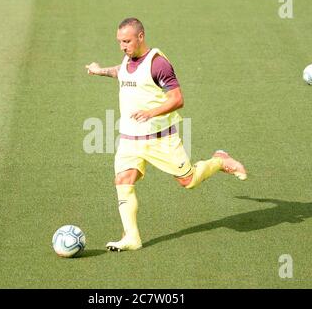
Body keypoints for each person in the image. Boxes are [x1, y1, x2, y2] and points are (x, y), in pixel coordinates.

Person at [85, 18, 247, 252]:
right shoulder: (128, 58)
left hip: (160, 138)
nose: (122, 46)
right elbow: (122, 73)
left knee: (188, 181)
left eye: (127, 41)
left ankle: (220, 160)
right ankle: (132, 238)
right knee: (123, 181)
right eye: (120, 42)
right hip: (130, 139)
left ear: (141, 37)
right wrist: (100, 70)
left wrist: (151, 112)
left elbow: (177, 99)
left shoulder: (158, 64)